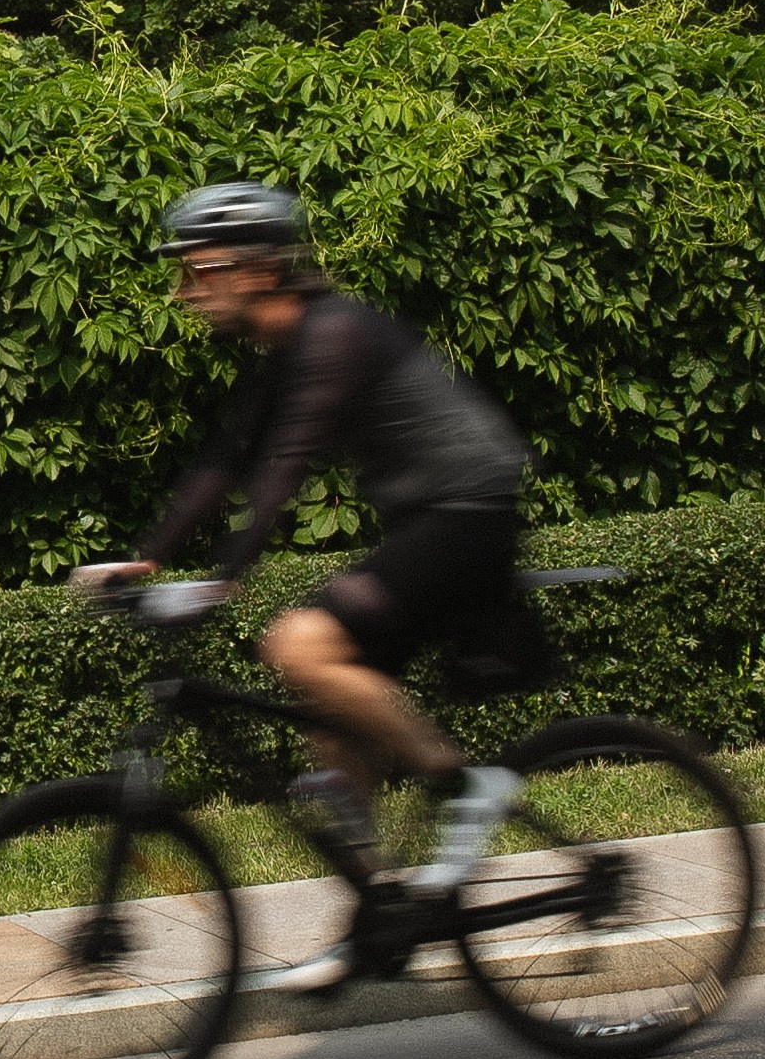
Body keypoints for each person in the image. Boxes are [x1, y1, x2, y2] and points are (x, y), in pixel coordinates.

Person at [75, 183, 541, 990]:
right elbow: (224, 460)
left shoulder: (333, 333)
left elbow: (282, 466)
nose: (184, 291)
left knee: (298, 642)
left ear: (256, 271)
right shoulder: (280, 351)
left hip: (468, 513)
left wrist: (219, 582)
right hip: (424, 520)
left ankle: (469, 784)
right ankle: (374, 917)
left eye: (198, 271)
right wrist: (144, 560)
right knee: (331, 727)